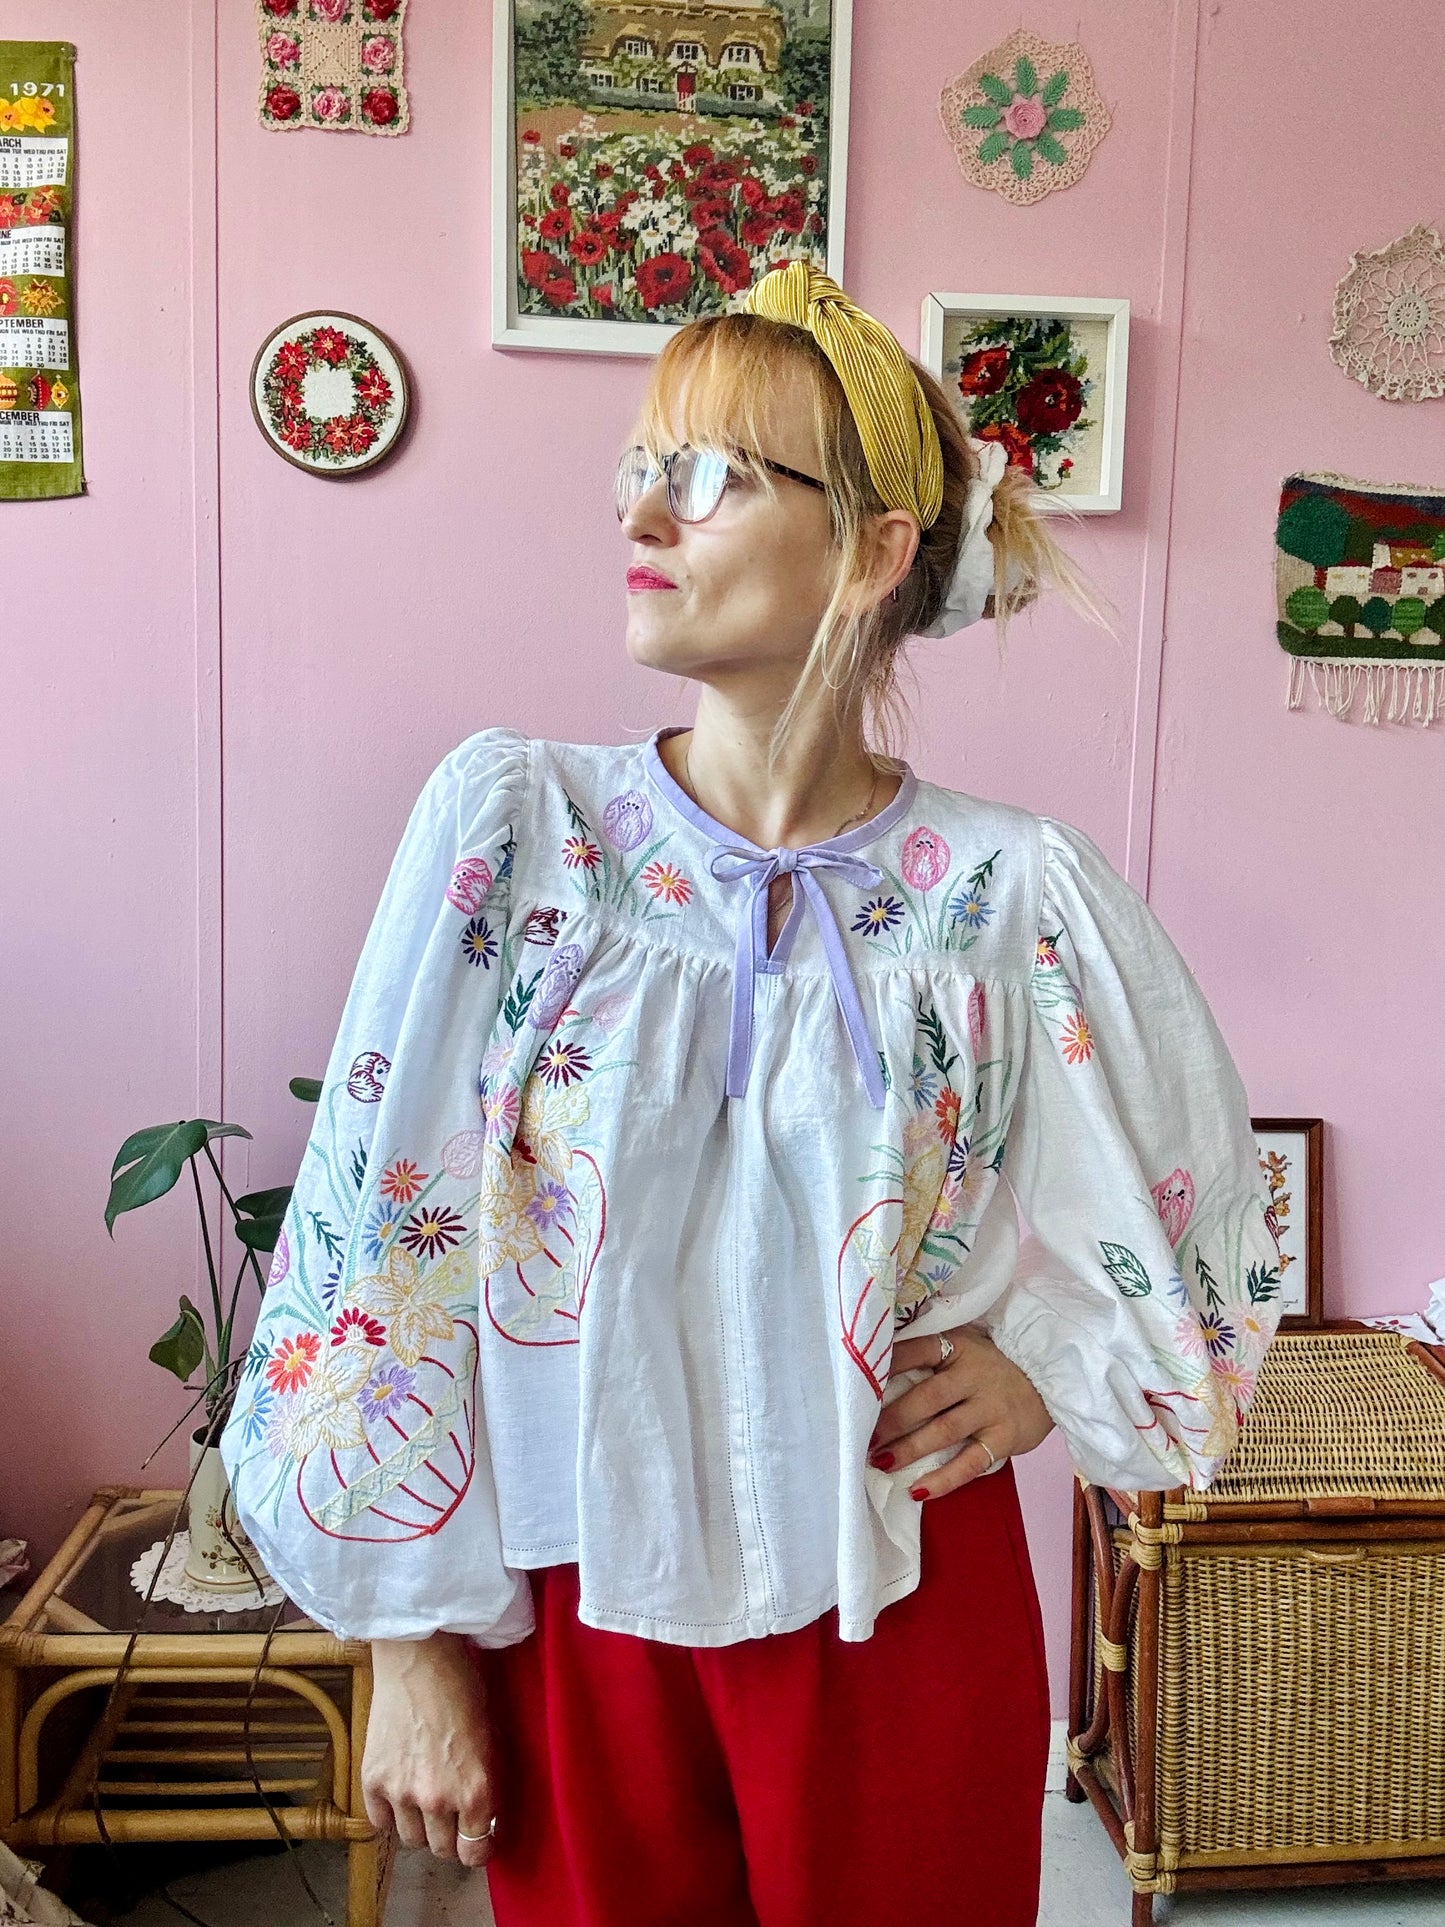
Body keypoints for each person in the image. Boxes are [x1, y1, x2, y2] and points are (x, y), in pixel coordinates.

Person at [220, 263, 1281, 1926]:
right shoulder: (522, 840)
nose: (647, 507)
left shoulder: (1011, 896)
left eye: (712, 474)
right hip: (582, 1594)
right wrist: (411, 1644)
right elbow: (379, 1245)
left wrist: (1047, 1372)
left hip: (899, 1587)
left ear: (868, 549)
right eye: (641, 464)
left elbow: (1197, 1214)